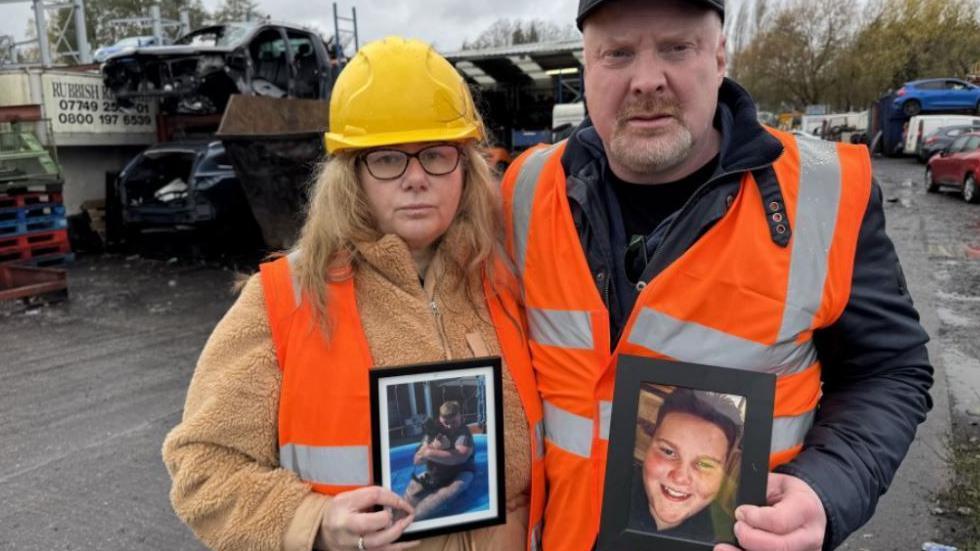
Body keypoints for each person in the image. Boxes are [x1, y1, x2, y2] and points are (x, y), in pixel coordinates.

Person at [499, 0, 934, 549]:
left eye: (678, 48)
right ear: (586, 65)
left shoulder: (823, 194)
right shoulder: (523, 192)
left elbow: (890, 371)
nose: (647, 80)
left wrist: (825, 490)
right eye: (618, 53)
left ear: (721, 55)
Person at [162, 36, 545, 551]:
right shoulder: (284, 300)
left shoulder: (506, 281)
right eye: (387, 159)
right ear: (352, 177)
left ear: (466, 168)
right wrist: (316, 522)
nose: (415, 179)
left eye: (435, 155)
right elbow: (201, 468)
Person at [629, 389, 741, 542]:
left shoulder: (731, 536)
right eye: (668, 452)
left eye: (705, 464)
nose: (680, 477)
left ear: (723, 473)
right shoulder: (600, 492)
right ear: (649, 444)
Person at [404, 401, 477, 520]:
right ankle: (399, 514)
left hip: (462, 471)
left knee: (451, 490)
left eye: (454, 422)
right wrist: (433, 447)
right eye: (446, 423)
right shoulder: (434, 432)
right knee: (413, 489)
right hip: (439, 472)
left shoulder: (464, 433)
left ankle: (413, 520)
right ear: (440, 419)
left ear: (461, 417)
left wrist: (429, 452)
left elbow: (459, 458)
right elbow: (417, 461)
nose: (450, 426)